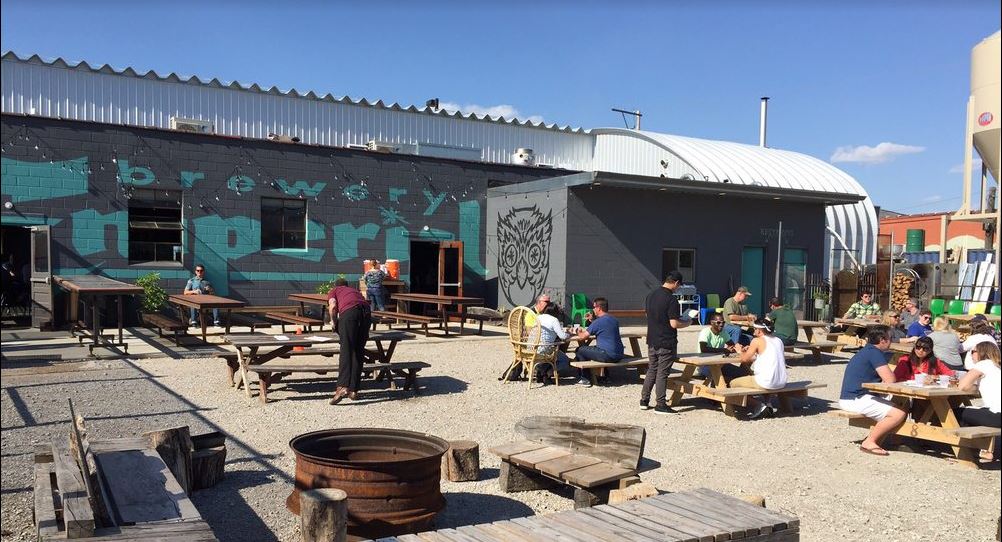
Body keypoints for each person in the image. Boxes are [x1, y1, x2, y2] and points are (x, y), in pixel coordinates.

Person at [837, 325, 908, 456]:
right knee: (898, 413)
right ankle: (870, 441)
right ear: (882, 340)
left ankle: (893, 439)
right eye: (890, 338)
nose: (891, 341)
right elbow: (890, 380)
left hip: (853, 396)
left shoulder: (867, 351)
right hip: (856, 398)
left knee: (903, 404)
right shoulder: (874, 353)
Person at [641, 271, 691, 413]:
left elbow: (648, 314)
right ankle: (660, 404)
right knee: (662, 373)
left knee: (652, 369)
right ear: (676, 283)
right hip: (666, 341)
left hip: (652, 339)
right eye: (679, 286)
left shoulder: (650, 295)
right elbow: (674, 324)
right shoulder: (671, 299)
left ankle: (644, 400)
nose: (678, 288)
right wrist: (687, 322)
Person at [731, 317, 789, 419]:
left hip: (765, 381)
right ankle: (768, 403)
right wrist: (753, 350)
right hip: (781, 381)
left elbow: (744, 359)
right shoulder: (778, 340)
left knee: (732, 383)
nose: (753, 330)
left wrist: (740, 350)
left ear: (759, 330)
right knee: (763, 375)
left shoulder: (757, 340)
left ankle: (758, 405)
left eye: (754, 328)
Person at [327, 278, 372, 405]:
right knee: (358, 350)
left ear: (336, 286)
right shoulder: (354, 290)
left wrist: (334, 322)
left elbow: (333, 306)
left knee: (346, 349)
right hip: (366, 313)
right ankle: (354, 390)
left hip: (350, 313)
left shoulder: (334, 291)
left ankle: (342, 387)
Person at [954, 341, 1001, 461]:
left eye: (973, 352)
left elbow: (962, 386)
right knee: (972, 412)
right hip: (996, 413)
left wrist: (973, 386)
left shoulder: (984, 364)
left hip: (996, 415)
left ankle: (967, 449)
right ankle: (985, 449)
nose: (971, 355)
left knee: (955, 413)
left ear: (981, 353)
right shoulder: (997, 366)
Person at [574, 297, 623, 387]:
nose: (593, 309)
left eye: (594, 307)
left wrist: (577, 331)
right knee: (598, 348)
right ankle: (605, 377)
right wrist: (592, 320)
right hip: (619, 354)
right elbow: (604, 327)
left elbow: (582, 337)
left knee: (580, 350)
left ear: (598, 308)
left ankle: (585, 378)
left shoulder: (598, 322)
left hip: (608, 355)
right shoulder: (614, 320)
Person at [697, 313, 747, 384]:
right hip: (705, 365)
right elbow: (703, 349)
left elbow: (732, 345)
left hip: (720, 364)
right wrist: (724, 350)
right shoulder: (705, 332)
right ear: (711, 323)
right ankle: (717, 390)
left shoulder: (723, 333)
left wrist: (741, 348)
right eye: (718, 322)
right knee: (722, 378)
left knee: (743, 373)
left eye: (723, 322)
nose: (721, 324)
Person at [533, 301, 571, 385]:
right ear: (555, 312)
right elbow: (562, 336)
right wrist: (569, 334)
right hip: (544, 349)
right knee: (565, 361)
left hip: (533, 348)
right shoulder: (554, 320)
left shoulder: (538, 317)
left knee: (553, 356)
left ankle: (542, 372)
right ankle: (547, 374)